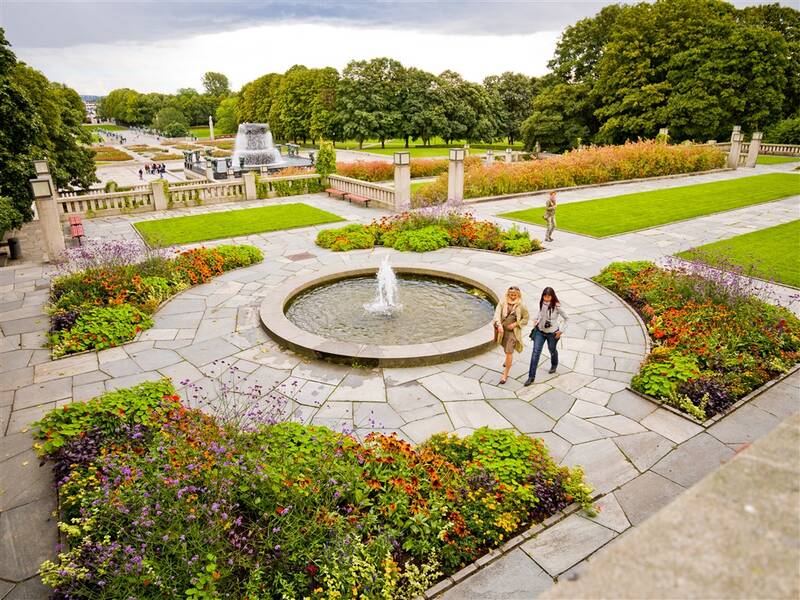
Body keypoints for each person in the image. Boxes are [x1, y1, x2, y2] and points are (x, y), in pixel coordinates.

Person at [524, 287, 568, 386]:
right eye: (545, 296)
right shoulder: (542, 302)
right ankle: (531, 377)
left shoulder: (557, 306)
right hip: (540, 331)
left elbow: (567, 318)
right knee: (535, 353)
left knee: (552, 349)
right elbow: (540, 312)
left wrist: (561, 331)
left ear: (552, 296)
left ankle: (554, 364)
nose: (546, 299)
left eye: (548, 296)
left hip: (552, 333)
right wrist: (536, 319)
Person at [493, 286, 529, 385]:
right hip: (502, 330)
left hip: (513, 333)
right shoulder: (502, 302)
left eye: (515, 295)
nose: (513, 297)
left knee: (509, 351)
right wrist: (498, 324)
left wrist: (515, 324)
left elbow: (526, 318)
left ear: (518, 295)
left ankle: (505, 374)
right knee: (505, 348)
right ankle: (507, 361)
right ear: (508, 294)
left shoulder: (521, 305)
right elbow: (497, 314)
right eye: (511, 295)